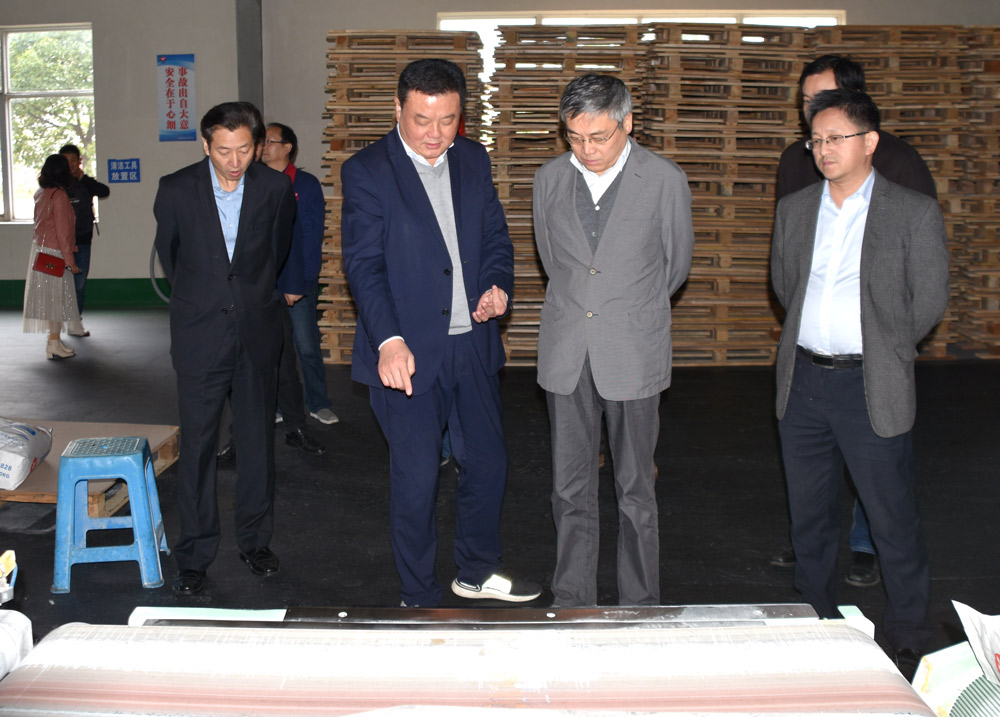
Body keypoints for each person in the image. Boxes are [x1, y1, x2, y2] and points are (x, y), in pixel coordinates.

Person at [341, 58, 540, 608]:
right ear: (398, 109)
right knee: (417, 478)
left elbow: (495, 236)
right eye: (422, 120)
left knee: (489, 463)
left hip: (471, 343)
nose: (435, 134)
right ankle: (418, 594)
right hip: (405, 352)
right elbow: (363, 266)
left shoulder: (473, 159)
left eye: (448, 120)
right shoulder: (367, 170)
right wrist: (388, 340)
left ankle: (476, 570)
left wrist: (497, 285)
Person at [770, 88, 949, 679]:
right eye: (815, 140)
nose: (823, 149)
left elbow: (929, 299)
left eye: (835, 138)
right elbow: (785, 285)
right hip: (803, 381)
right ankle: (814, 618)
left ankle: (909, 633)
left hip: (871, 382)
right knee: (809, 516)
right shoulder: (797, 208)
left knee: (891, 516)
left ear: (869, 142)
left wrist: (887, 347)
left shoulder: (911, 211)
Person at [532, 74, 694, 607]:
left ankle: (640, 605)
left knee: (635, 489)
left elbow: (674, 267)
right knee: (568, 488)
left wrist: (625, 311)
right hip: (567, 352)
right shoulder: (549, 179)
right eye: (575, 137)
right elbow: (553, 261)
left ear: (627, 123)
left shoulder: (664, 180)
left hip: (633, 350)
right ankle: (572, 598)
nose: (587, 149)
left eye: (599, 137)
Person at [154, 101, 295, 595]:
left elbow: (276, 252)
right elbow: (172, 257)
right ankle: (193, 553)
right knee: (197, 448)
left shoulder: (275, 188)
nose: (234, 162)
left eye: (243, 150)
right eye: (222, 151)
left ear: (257, 145)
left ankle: (255, 542)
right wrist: (208, 297)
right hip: (200, 336)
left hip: (256, 333)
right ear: (205, 144)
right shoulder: (176, 189)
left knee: (257, 445)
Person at [261, 122, 339, 426]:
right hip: (264, 281)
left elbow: (311, 234)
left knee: (306, 346)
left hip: (296, 280)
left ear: (287, 147)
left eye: (270, 141)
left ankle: (318, 403)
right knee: (271, 348)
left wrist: (304, 281)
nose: (264, 146)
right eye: (262, 141)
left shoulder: (305, 184)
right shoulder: (255, 181)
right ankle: (279, 405)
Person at [23, 154, 84, 359]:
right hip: (55, 253)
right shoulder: (59, 196)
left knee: (53, 300)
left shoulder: (41, 193)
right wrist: (70, 261)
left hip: (41, 251)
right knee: (56, 300)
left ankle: (54, 342)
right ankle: (53, 343)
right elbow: (62, 232)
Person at [59, 143, 110, 337]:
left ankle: (75, 321)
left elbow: (104, 191)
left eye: (73, 160)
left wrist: (83, 179)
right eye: (66, 161)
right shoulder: (56, 184)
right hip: (61, 243)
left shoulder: (85, 182)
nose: (70, 165)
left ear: (79, 161)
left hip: (82, 241)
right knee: (61, 284)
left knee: (79, 285)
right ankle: (59, 322)